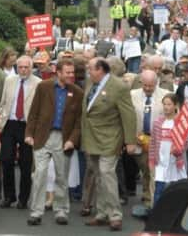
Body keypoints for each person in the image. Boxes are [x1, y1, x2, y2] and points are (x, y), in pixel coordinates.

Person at [25, 59, 84, 226]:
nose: (71, 75)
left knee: (61, 177)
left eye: (73, 72)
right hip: (43, 136)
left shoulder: (78, 92)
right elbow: (33, 112)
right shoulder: (44, 87)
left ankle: (61, 211)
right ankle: (36, 212)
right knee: (39, 174)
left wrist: (72, 140)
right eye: (68, 72)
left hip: (63, 138)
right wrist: (29, 133)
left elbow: (79, 122)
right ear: (58, 73)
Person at [83, 58, 137, 232]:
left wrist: (130, 141)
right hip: (92, 137)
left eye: (90, 68)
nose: (88, 71)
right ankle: (102, 213)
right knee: (98, 176)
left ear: (100, 69)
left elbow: (128, 115)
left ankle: (115, 215)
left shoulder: (119, 87)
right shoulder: (91, 83)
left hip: (110, 137)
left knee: (107, 174)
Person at [0, 55, 41, 210]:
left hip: (27, 125)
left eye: (26, 67)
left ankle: (23, 198)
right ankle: (9, 196)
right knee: (6, 159)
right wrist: (1, 119)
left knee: (26, 163)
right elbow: (3, 101)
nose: (23, 70)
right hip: (9, 123)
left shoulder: (38, 83)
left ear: (31, 67)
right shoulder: (10, 81)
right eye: (20, 67)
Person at [129, 70, 167, 208]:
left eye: (150, 86)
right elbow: (128, 118)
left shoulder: (165, 96)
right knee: (145, 169)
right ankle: (146, 194)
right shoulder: (132, 95)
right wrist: (132, 136)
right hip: (138, 140)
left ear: (156, 83)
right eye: (145, 85)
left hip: (158, 141)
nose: (147, 89)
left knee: (153, 171)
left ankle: (153, 202)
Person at [148, 94, 188, 207]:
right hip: (160, 162)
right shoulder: (157, 122)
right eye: (164, 104)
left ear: (175, 105)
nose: (166, 107)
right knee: (158, 191)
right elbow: (153, 143)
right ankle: (156, 215)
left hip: (175, 163)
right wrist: (151, 160)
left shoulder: (181, 123)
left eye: (169, 104)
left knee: (176, 191)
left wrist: (177, 150)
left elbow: (186, 144)